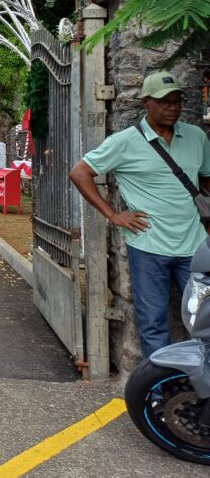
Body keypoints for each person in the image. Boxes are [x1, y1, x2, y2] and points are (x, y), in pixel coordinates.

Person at [69, 71, 210, 357]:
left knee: (204, 321)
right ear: (146, 102)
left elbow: (206, 178)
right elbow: (80, 172)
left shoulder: (196, 137)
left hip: (194, 246)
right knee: (153, 325)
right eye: (164, 102)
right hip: (148, 247)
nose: (172, 108)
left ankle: (200, 379)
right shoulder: (125, 141)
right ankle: (161, 384)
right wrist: (112, 215)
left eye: (177, 101)